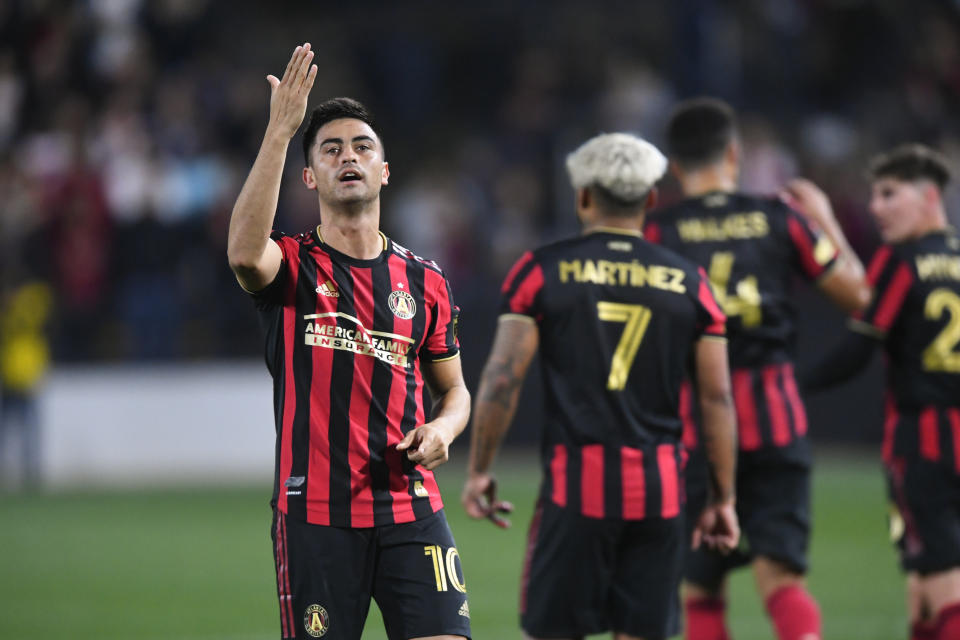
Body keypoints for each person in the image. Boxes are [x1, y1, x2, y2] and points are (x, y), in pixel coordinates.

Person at [227, 43, 471, 640]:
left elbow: (457, 392)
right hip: (317, 519)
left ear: (384, 171)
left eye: (362, 147)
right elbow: (240, 254)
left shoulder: (425, 279)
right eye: (331, 150)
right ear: (310, 176)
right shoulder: (291, 265)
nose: (349, 157)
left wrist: (442, 430)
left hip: (412, 509)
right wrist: (280, 133)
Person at [462, 131, 740, 640]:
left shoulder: (540, 271)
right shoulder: (691, 284)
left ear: (583, 196)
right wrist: (722, 498)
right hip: (662, 493)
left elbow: (503, 377)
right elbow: (717, 397)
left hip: (576, 492)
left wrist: (481, 467)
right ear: (652, 200)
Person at [644, 97, 871, 640]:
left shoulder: (656, 232)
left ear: (674, 165)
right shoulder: (780, 218)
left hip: (696, 426)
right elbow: (862, 299)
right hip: (776, 421)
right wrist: (827, 220)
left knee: (699, 588)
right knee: (782, 577)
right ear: (734, 154)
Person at [801, 144, 960, 640]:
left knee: (941, 580)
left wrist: (790, 383)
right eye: (873, 195)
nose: (875, 207)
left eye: (890, 194)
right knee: (921, 588)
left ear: (929, 196)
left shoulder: (901, 260)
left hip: (923, 442)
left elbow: (857, 349)